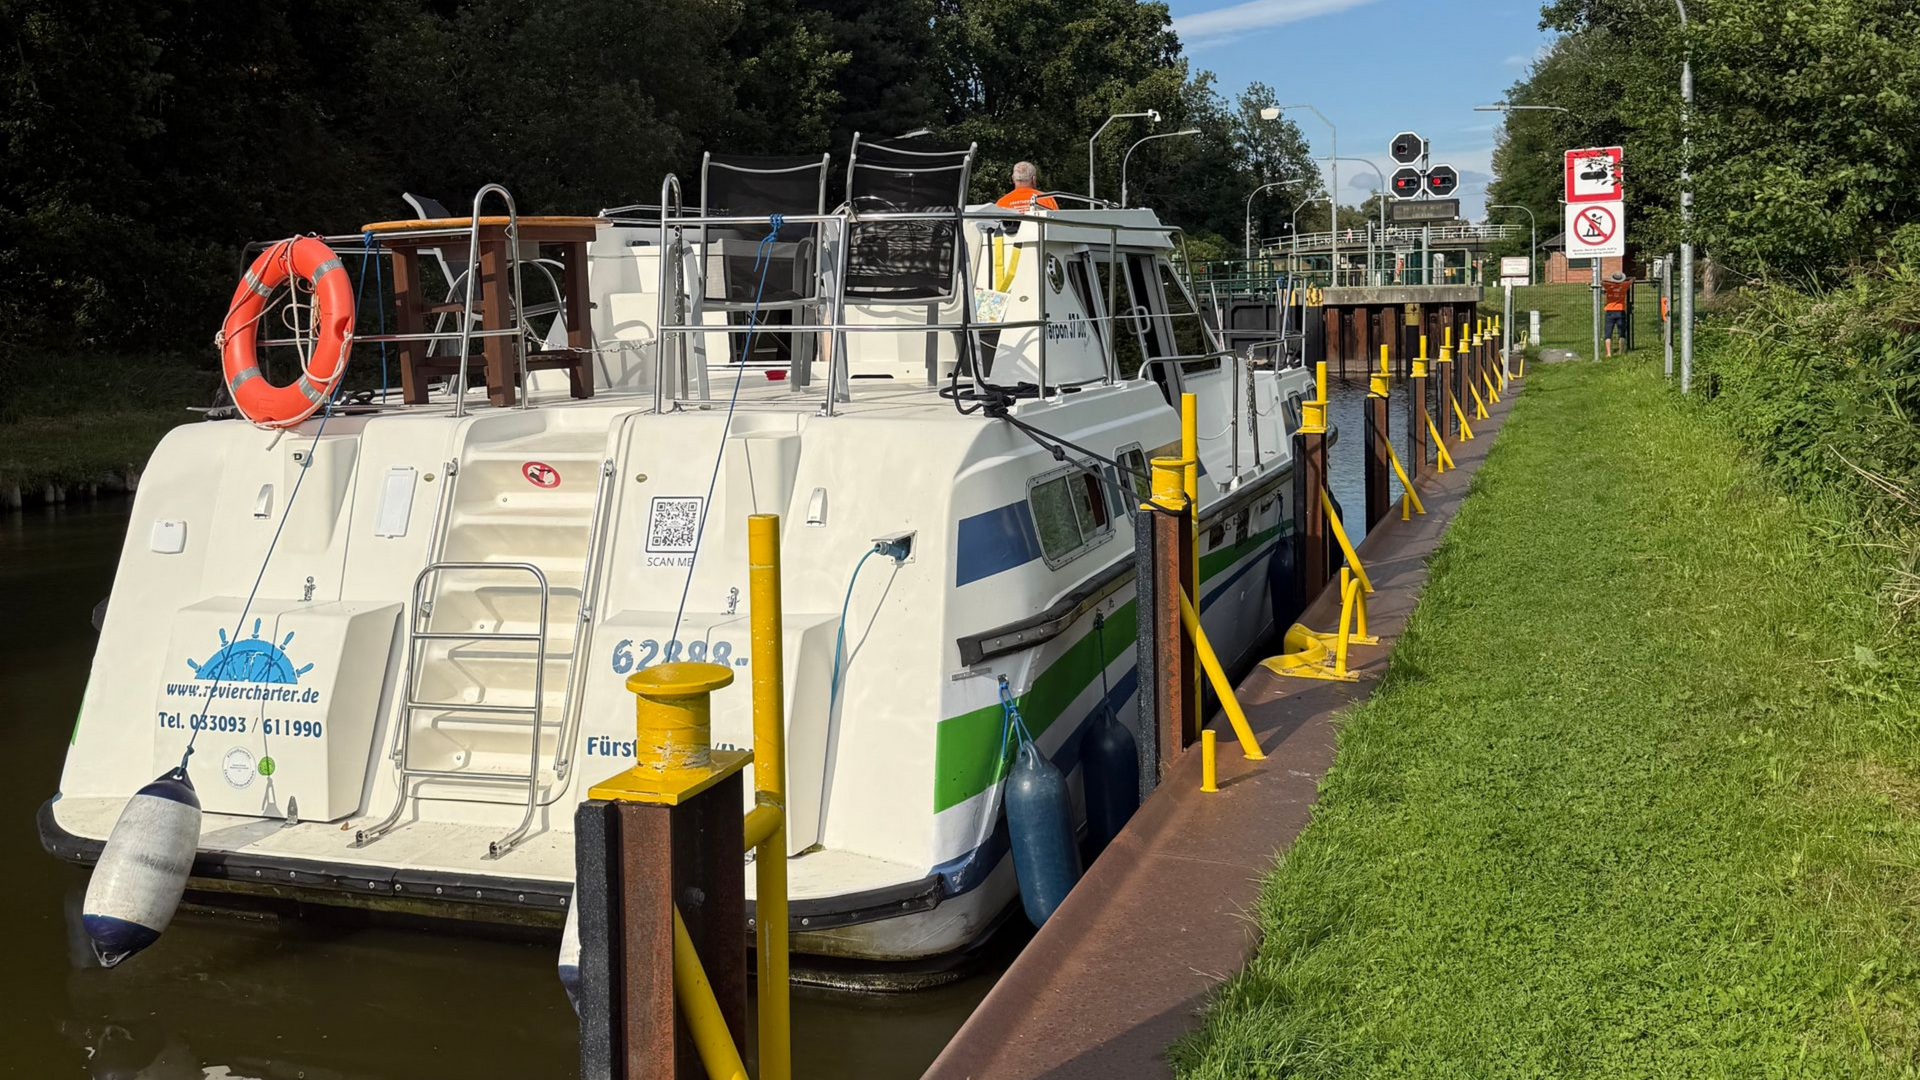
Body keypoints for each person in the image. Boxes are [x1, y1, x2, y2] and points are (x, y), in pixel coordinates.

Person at [1602, 270, 1632, 357]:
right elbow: (1633, 279)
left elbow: (1601, 282)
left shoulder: (1608, 286)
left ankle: (1608, 353)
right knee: (1621, 332)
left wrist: (1609, 281)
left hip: (1609, 311)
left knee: (1608, 333)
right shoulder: (1624, 285)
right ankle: (1621, 352)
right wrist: (1627, 279)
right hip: (1620, 310)